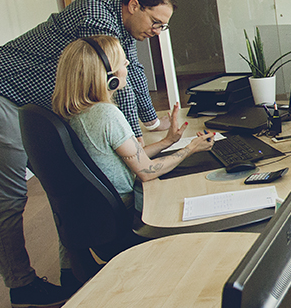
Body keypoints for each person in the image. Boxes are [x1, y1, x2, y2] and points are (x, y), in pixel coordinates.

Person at [0, 0, 174, 307]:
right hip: (0, 93)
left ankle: (72, 270)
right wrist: (134, 140)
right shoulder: (95, 17)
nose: (158, 30)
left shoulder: (123, 25)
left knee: (64, 182)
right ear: (134, 6)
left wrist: (152, 123)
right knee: (9, 197)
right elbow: (121, 80)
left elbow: (134, 70)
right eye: (156, 22)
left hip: (31, 100)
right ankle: (22, 287)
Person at [52, 36, 215, 213]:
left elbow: (131, 157)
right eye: (122, 62)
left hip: (96, 210)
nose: (128, 64)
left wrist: (168, 141)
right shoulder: (106, 114)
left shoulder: (75, 112)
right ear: (108, 76)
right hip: (128, 206)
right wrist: (191, 148)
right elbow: (146, 170)